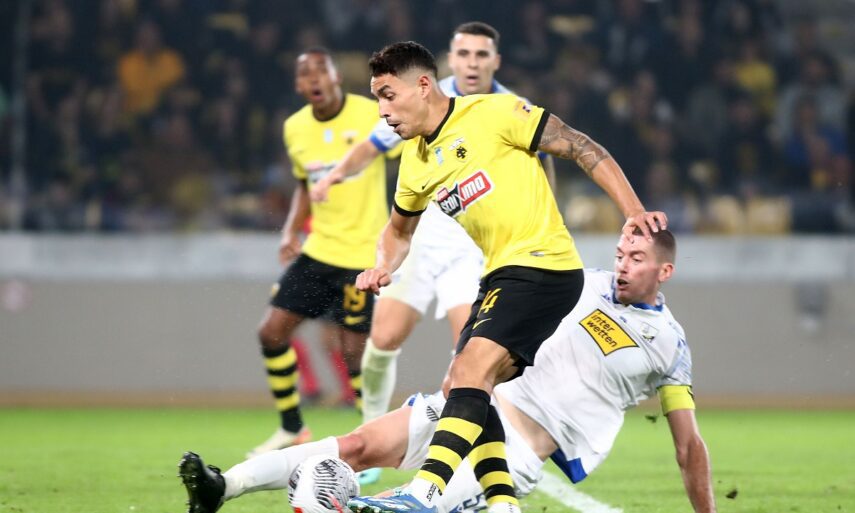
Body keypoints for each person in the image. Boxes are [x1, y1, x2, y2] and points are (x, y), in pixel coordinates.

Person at [178, 230, 716, 513]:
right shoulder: (575, 282)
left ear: (664, 270)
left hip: (514, 453)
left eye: (637, 258)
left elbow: (688, 445)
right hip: (468, 405)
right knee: (356, 446)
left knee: (390, 509)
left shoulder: (670, 348)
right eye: (621, 252)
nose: (623, 264)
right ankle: (224, 487)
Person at [350, 41, 666, 513]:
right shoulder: (415, 161)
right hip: (500, 275)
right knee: (463, 388)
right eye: (378, 99)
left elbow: (581, 147)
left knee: (471, 371)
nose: (382, 111)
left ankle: (423, 493)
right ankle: (502, 503)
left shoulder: (495, 112)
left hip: (544, 265)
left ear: (423, 85)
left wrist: (634, 210)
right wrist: (383, 265)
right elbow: (398, 232)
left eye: (388, 95)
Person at [310, 22, 556, 479]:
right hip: (420, 241)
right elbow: (372, 146)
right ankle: (372, 436)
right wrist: (333, 175)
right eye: (464, 54)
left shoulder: (507, 107)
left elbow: (544, 163)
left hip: (472, 250)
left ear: (495, 61)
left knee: (472, 361)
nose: (472, 63)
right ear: (450, 61)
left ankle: (467, 456)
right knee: (383, 339)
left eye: (481, 55)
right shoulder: (417, 99)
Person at [245, 48, 395, 458]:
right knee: (271, 333)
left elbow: (409, 148)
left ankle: (374, 440)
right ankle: (292, 428)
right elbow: (303, 184)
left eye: (320, 70)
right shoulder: (295, 128)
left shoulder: (370, 113)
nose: (313, 78)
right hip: (319, 251)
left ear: (335, 76)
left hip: (361, 256)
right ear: (298, 85)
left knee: (353, 355)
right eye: (304, 73)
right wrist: (290, 229)